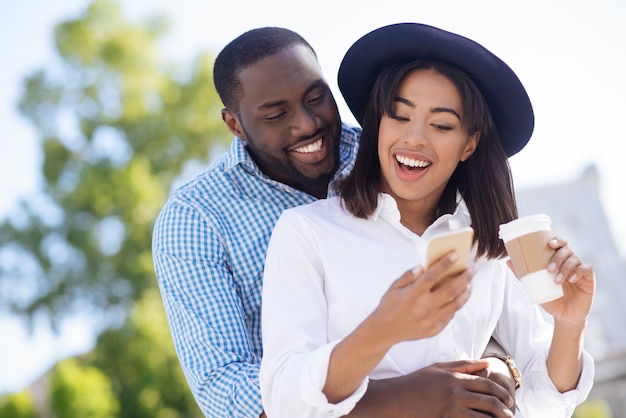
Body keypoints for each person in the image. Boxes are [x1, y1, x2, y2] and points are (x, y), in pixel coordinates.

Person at [153, 26, 518, 418]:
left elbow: (479, 284)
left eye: (316, 98)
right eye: (276, 114)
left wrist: (496, 367)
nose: (307, 124)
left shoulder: (395, 152)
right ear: (235, 125)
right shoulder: (195, 218)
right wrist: (402, 398)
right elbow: (227, 392)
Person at [259, 23, 595, 418]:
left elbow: (544, 404)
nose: (415, 138)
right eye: (399, 116)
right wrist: (384, 328)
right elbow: (284, 402)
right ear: (377, 123)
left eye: (441, 125)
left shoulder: (486, 245)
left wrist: (570, 325)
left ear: (469, 144)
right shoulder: (307, 232)